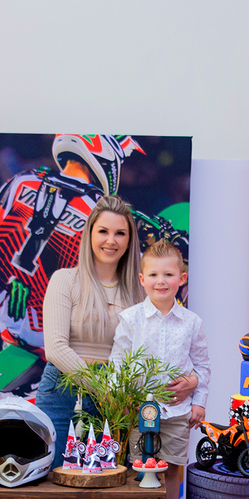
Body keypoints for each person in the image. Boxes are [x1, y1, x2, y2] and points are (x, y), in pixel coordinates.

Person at [37, 197, 199, 469]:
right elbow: (55, 348)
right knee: (55, 481)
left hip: (120, 399)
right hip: (65, 392)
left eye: (119, 233)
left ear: (129, 240)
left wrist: (192, 380)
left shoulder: (141, 291)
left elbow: (168, 342)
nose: (110, 240)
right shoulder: (64, 280)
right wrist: (104, 390)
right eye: (103, 231)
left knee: (110, 489)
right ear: (89, 233)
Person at [110, 240, 210, 499]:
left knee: (172, 466)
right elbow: (117, 362)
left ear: (183, 278)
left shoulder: (192, 323)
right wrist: (120, 396)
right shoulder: (131, 319)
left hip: (178, 412)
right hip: (141, 410)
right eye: (153, 275)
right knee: (141, 463)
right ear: (142, 280)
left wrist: (199, 402)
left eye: (169, 275)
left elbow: (203, 365)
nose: (161, 281)